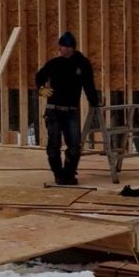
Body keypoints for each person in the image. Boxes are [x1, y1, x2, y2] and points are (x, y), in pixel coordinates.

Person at [35, 31, 98, 185]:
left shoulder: (82, 64)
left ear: (73, 48)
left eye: (69, 47)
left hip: (71, 111)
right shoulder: (54, 64)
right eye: (64, 46)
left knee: (74, 145)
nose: (66, 49)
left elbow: (89, 85)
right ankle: (59, 174)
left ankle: (68, 175)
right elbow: (39, 77)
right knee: (54, 145)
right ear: (59, 47)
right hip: (54, 110)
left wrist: (94, 102)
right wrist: (41, 88)